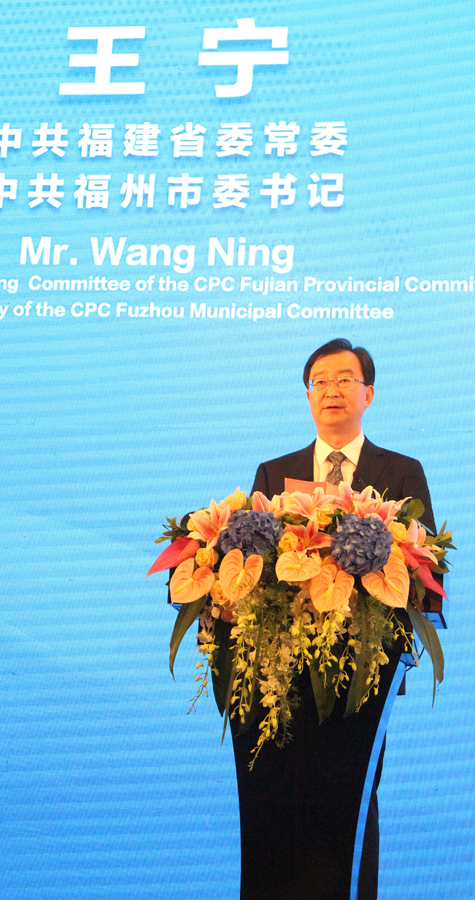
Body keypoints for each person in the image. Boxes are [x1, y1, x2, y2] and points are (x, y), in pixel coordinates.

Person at [232, 338, 436, 900]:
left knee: (352, 799)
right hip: (279, 673)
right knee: (277, 801)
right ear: (307, 396)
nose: (331, 390)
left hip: (363, 672)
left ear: (368, 393)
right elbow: (248, 565)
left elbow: (426, 564)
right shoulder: (275, 473)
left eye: (345, 379)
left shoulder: (402, 472)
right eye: (319, 381)